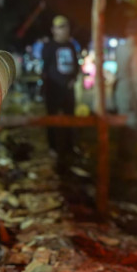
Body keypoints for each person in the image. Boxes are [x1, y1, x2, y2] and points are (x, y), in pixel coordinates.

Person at [41, 15, 82, 174]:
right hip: (54, 89)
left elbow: (76, 65)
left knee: (70, 118)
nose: (64, 29)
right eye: (60, 27)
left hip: (68, 89)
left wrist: (73, 79)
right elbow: (46, 69)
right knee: (52, 118)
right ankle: (53, 147)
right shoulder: (49, 47)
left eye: (65, 26)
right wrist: (47, 86)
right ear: (53, 30)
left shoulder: (71, 46)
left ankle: (69, 147)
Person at [113, 20, 137, 181]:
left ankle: (121, 167)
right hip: (130, 93)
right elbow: (136, 77)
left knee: (123, 131)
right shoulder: (135, 50)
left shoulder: (120, 48)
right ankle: (128, 170)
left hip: (120, 91)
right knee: (131, 131)